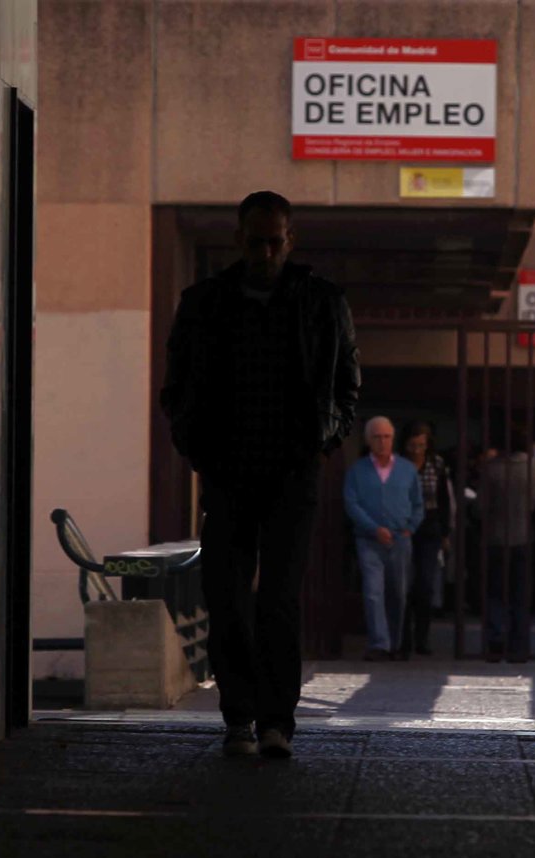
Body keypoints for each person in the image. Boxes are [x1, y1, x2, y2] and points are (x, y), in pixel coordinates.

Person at [160, 190, 360, 759]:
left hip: (290, 472)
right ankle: (242, 718)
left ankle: (273, 722)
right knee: (227, 598)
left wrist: (322, 442)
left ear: (289, 241)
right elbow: (177, 386)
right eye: (256, 243)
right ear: (239, 241)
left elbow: (345, 386)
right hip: (228, 471)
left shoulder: (321, 303)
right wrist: (197, 447)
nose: (266, 253)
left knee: (277, 600)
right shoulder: (205, 304)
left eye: (274, 242)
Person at [344, 416, 424, 661]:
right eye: (377, 437)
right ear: (368, 440)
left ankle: (395, 643)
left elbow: (418, 503)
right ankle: (379, 643)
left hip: (400, 539)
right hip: (368, 540)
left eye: (387, 437)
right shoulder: (357, 470)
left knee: (398, 593)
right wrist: (373, 528)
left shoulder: (407, 469)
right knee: (372, 592)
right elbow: (352, 504)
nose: (382, 442)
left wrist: (410, 527)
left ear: (393, 439)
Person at [479, 426, 535, 661]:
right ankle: (518, 647)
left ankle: (495, 643)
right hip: (524, 537)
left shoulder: (490, 468)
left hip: (494, 538)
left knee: (495, 592)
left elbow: (479, 507)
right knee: (521, 594)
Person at [397, 421, 453, 659]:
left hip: (430, 525)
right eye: (413, 445)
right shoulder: (398, 463)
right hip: (403, 524)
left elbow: (444, 499)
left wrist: (445, 533)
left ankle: (422, 637)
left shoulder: (436, 464)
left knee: (425, 584)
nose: (417, 450)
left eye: (421, 445)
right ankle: (403, 640)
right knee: (404, 584)